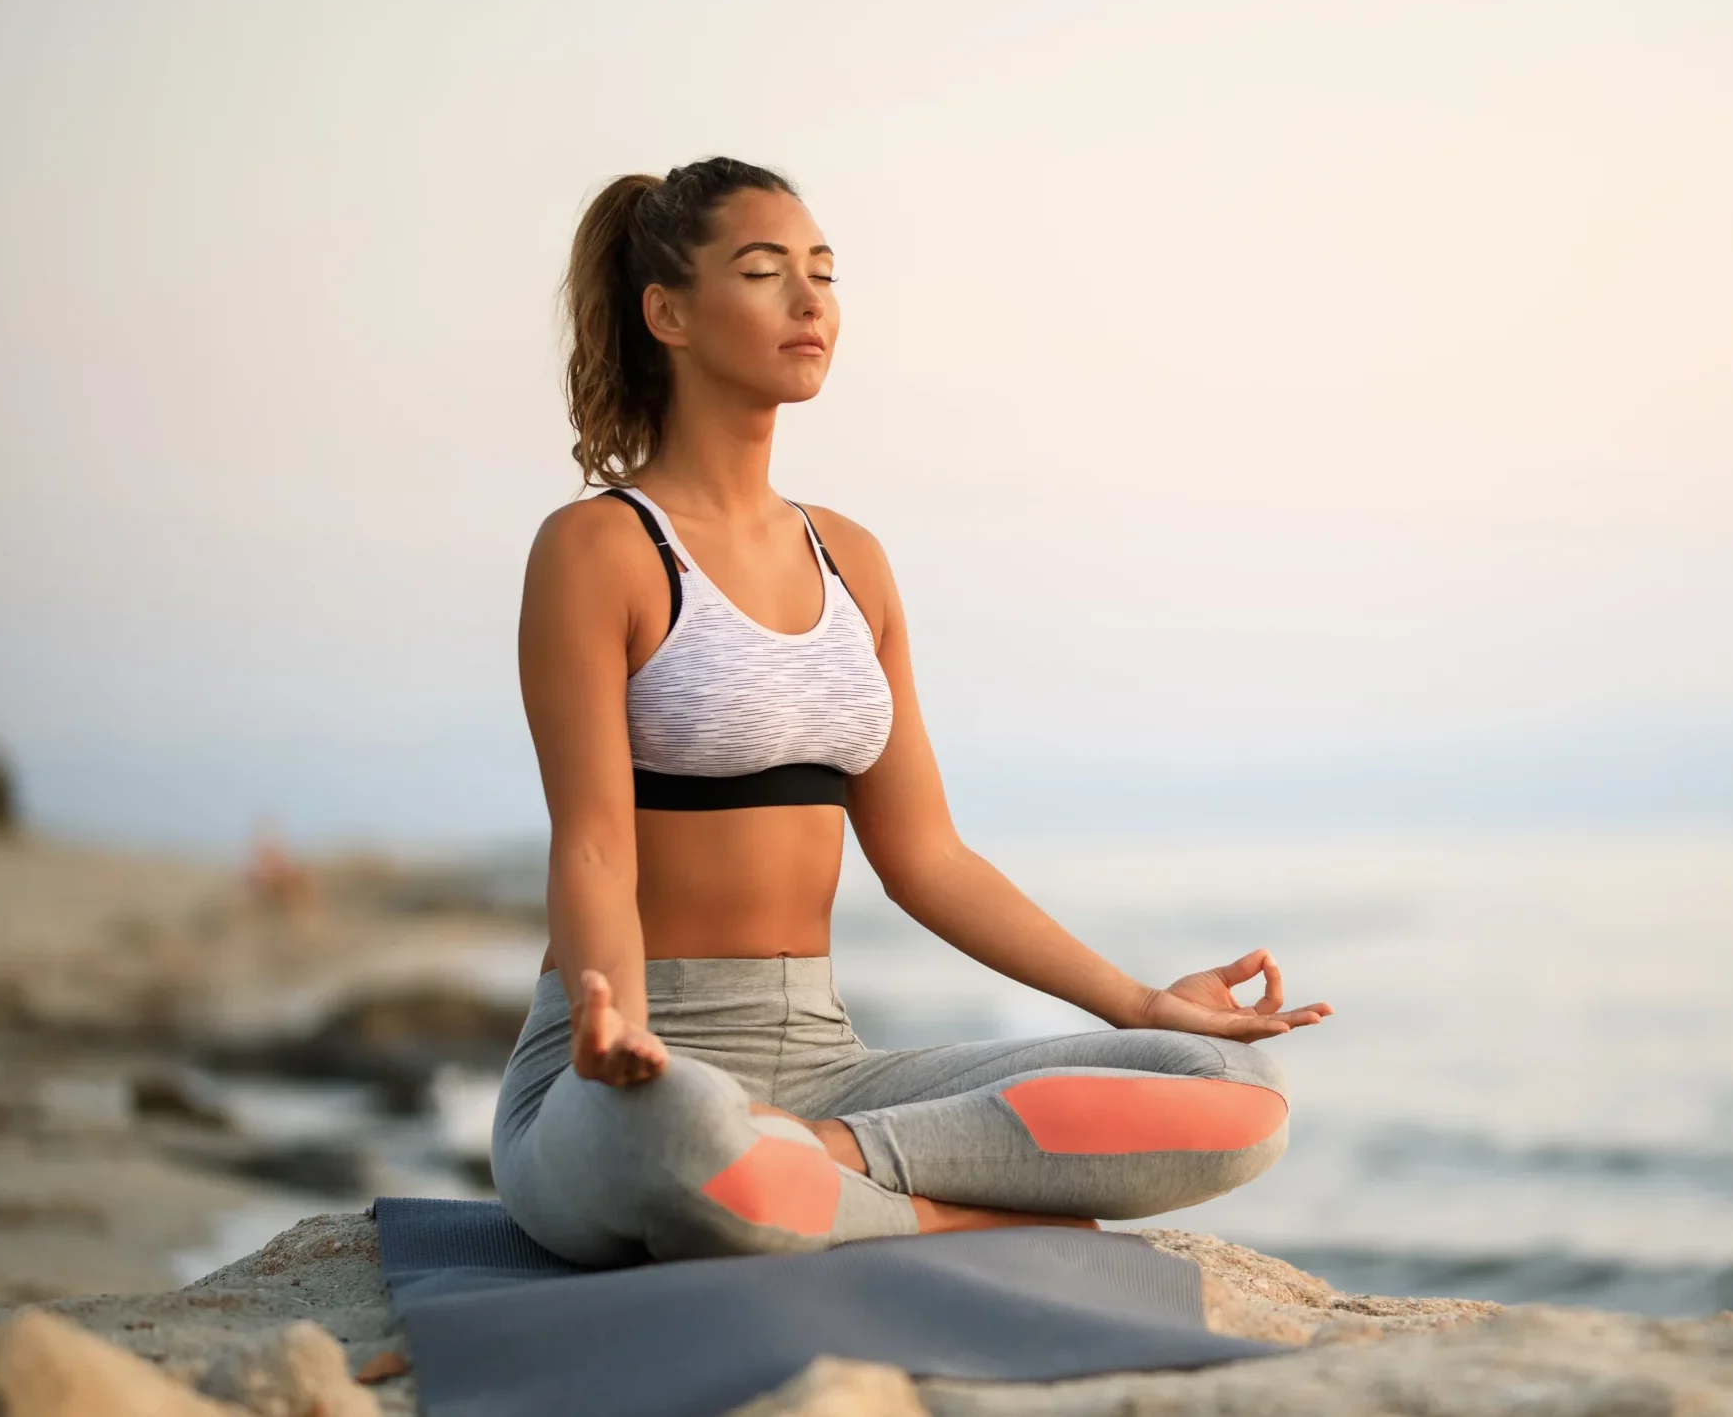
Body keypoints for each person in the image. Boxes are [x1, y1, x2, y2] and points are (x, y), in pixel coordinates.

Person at [491, 157, 1330, 1267]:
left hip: (827, 1066)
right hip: (626, 1064)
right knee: (691, 1135)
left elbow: (926, 858)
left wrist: (1139, 1005)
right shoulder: (598, 548)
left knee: (1235, 1091)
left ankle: (820, 1165)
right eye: (763, 273)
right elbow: (594, 848)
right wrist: (617, 1029)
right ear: (668, 314)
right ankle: (946, 1210)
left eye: (823, 275)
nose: (809, 304)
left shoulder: (854, 563)